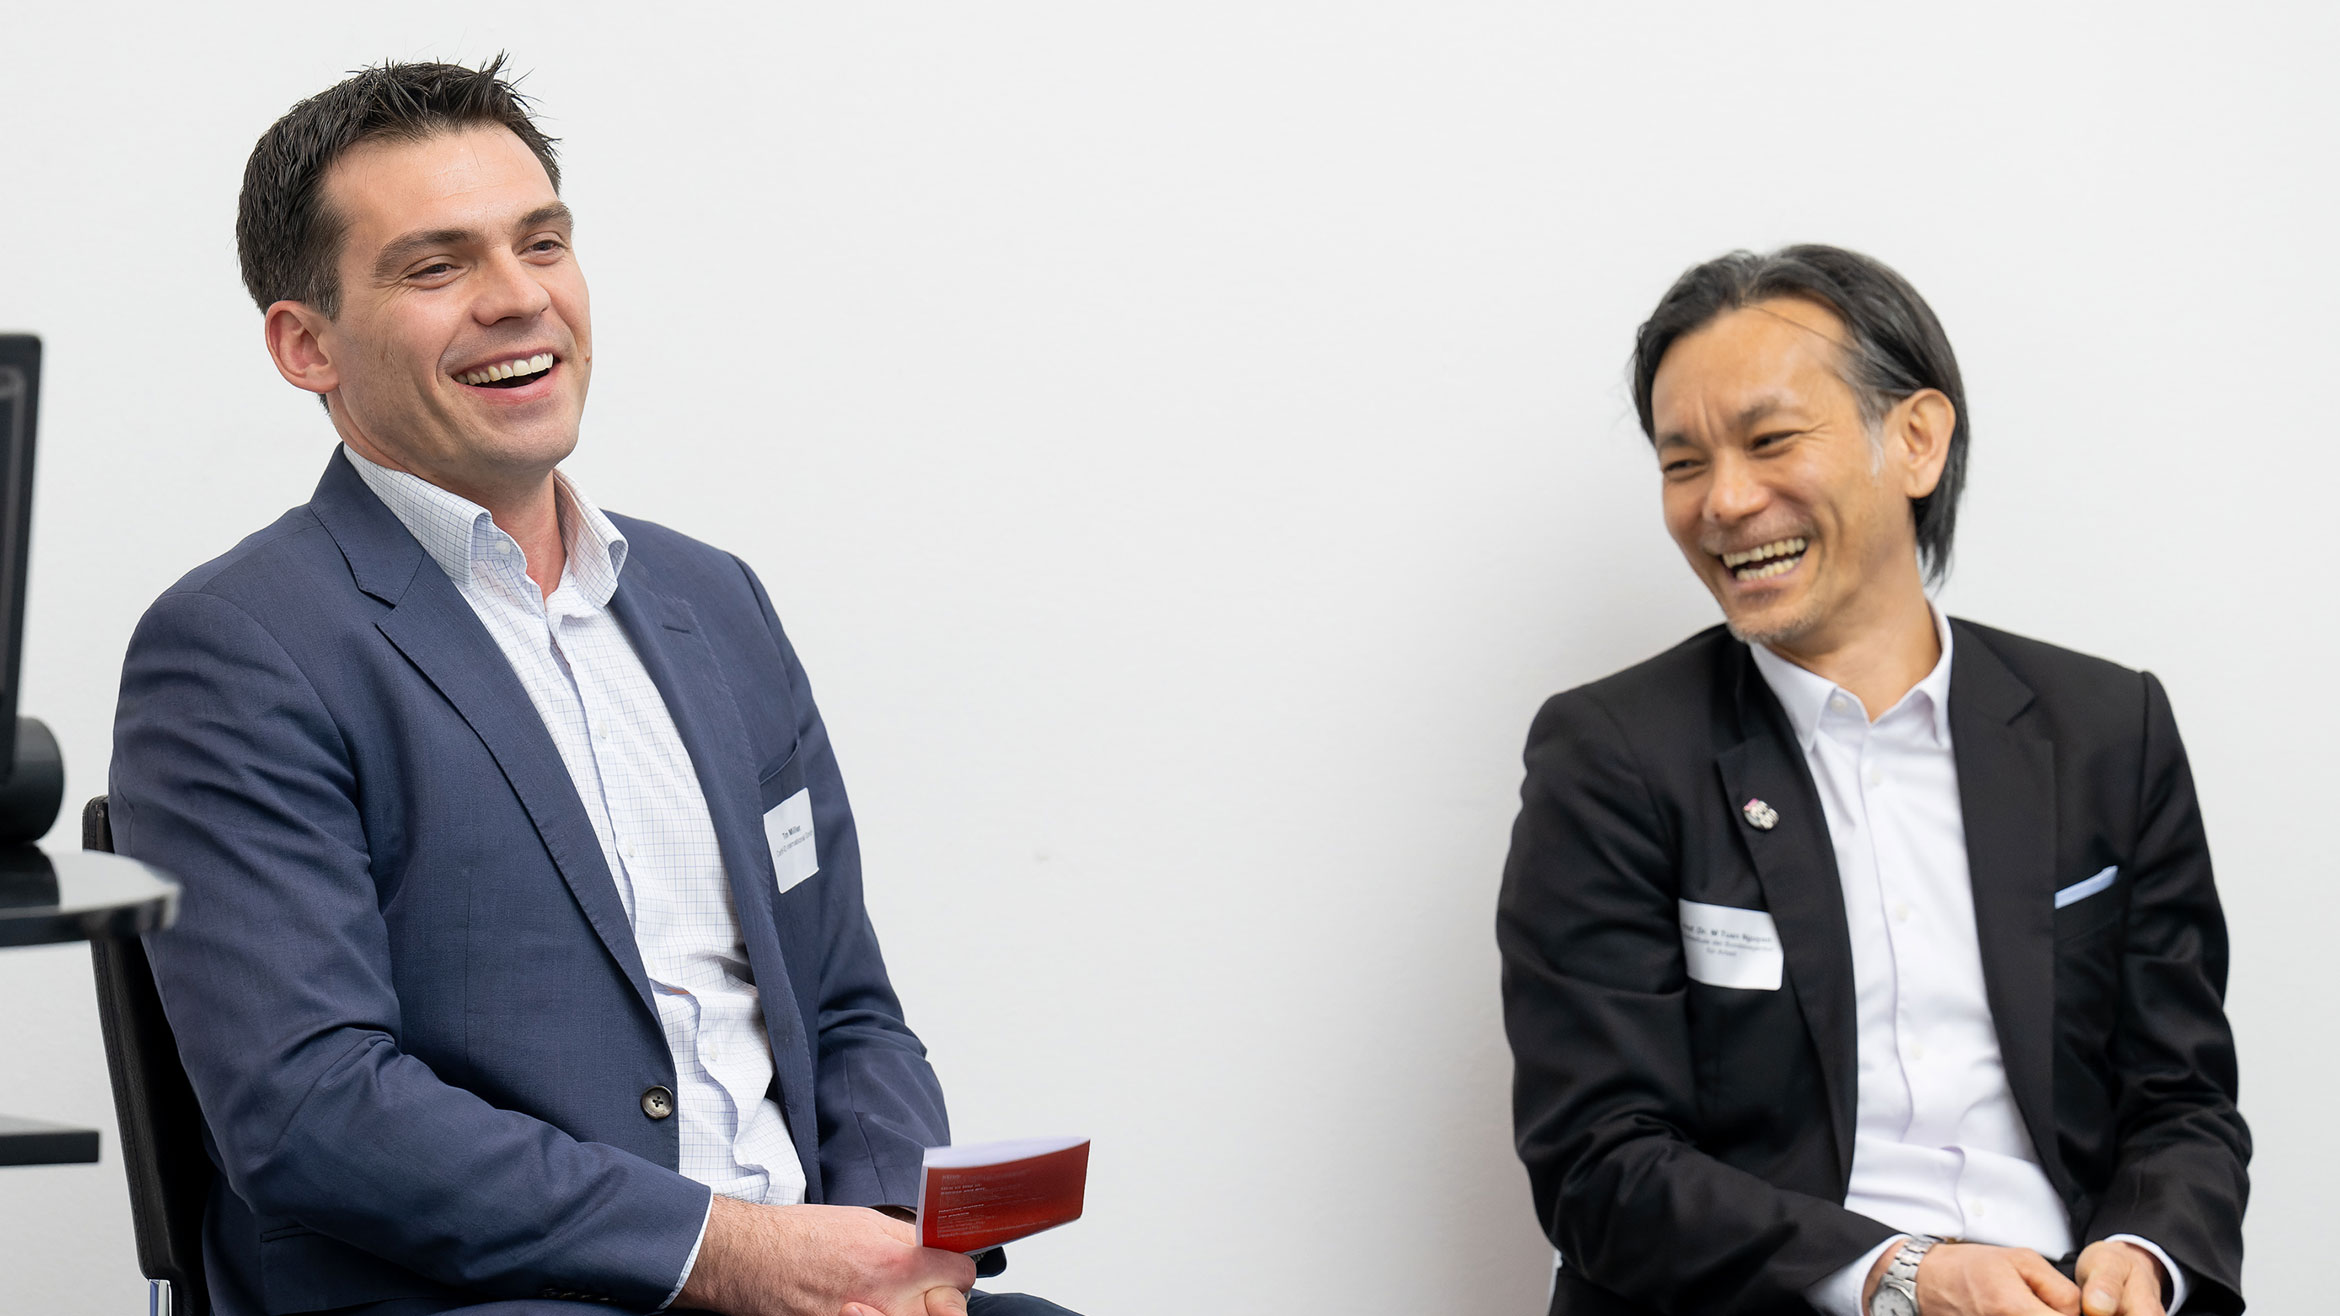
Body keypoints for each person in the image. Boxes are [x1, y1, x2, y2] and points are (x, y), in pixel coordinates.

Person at [111, 58, 1077, 1316]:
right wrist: (736, 1253)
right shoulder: (239, 646)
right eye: (437, 265)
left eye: (542, 242)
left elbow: (845, 1013)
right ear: (307, 344)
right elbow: (311, 1108)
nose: (519, 300)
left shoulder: (712, 602)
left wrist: (886, 1241)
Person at [1496, 245, 2247, 1316]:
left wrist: (2145, 1248)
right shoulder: (1613, 753)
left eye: (1769, 440)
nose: (1726, 500)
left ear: (1916, 439)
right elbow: (1597, 1161)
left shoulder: (2106, 728)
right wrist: (1905, 1274)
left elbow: (2182, 1100)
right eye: (1683, 463)